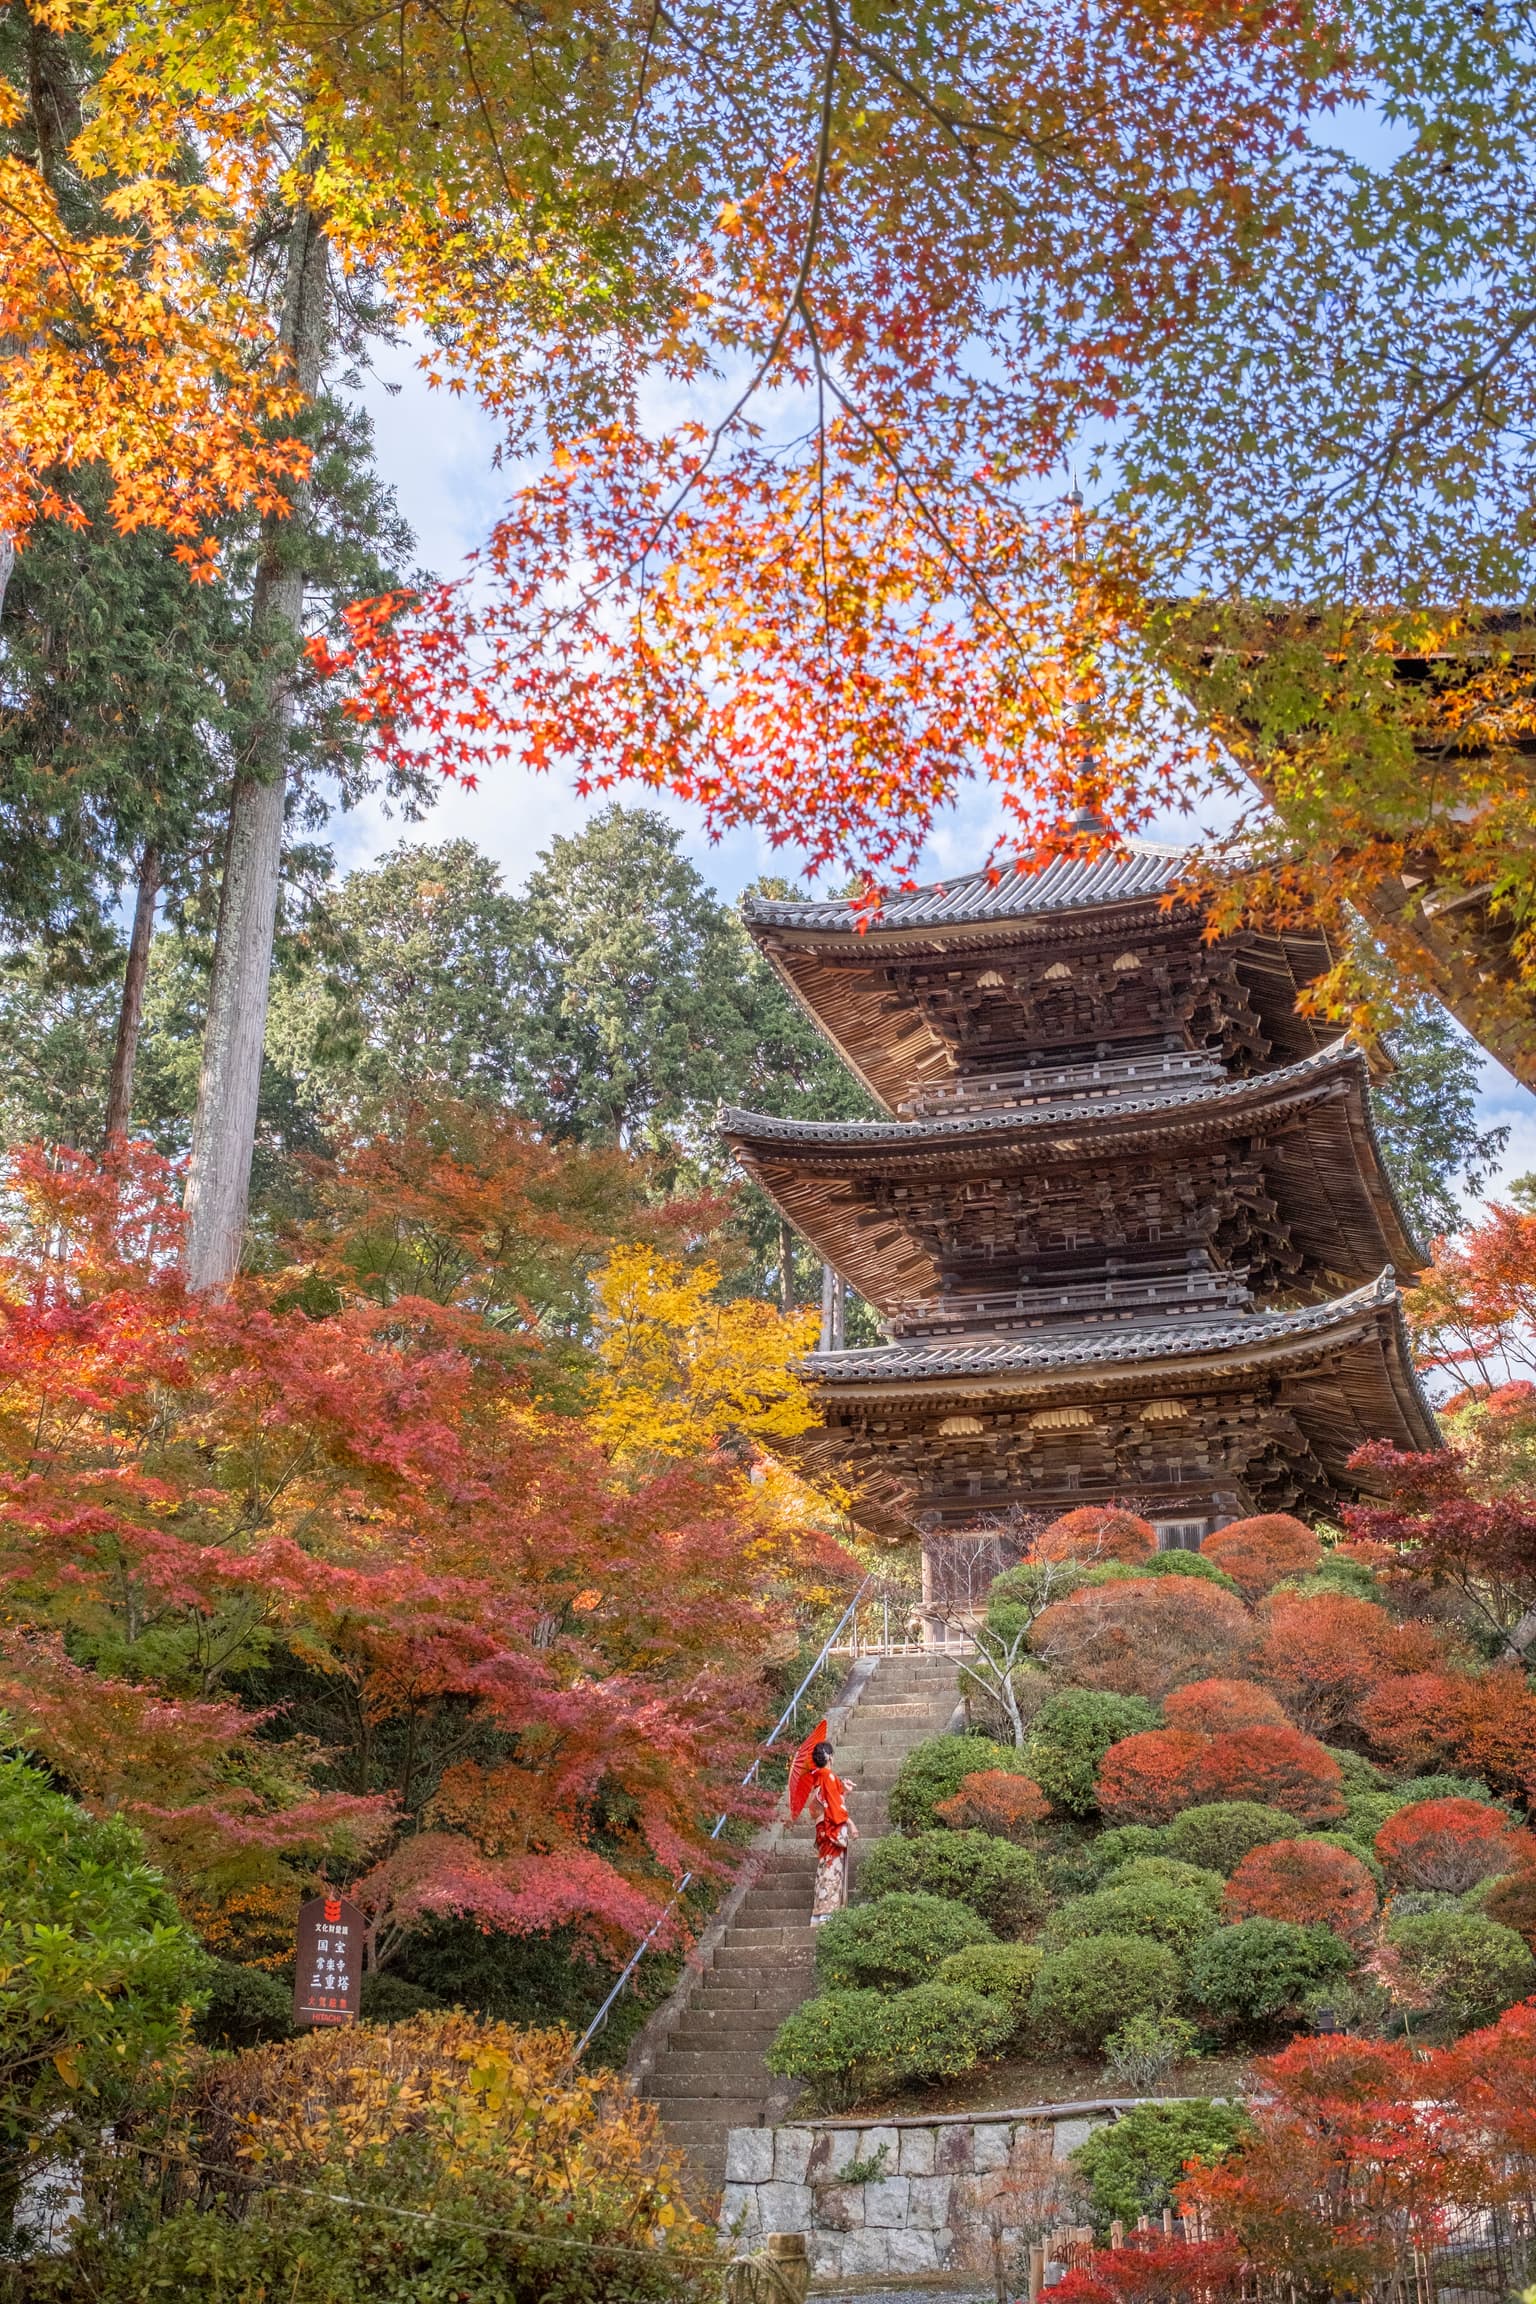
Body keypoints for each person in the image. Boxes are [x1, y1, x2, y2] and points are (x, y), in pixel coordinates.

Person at [806, 1738, 857, 1924]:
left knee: (824, 1867)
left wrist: (844, 1792)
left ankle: (818, 1915)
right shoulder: (829, 1776)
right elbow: (835, 1808)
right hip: (832, 1830)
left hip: (823, 1829)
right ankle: (827, 1914)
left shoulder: (818, 1778)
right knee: (832, 1869)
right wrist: (850, 1824)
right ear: (829, 1757)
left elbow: (827, 1804)